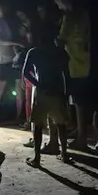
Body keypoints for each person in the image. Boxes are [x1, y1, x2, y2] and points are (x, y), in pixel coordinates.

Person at [22, 30, 73, 167]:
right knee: (61, 124)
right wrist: (66, 93)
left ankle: (37, 158)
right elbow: (67, 75)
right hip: (57, 91)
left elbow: (26, 72)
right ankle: (65, 154)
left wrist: (39, 84)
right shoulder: (60, 53)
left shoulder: (33, 52)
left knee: (37, 126)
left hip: (42, 91)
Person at [53, 0, 91, 148]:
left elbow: (61, 40)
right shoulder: (84, 13)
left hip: (75, 63)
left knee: (79, 101)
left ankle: (82, 137)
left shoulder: (69, 16)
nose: (56, 2)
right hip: (86, 60)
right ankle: (79, 130)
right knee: (80, 101)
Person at [0, 3, 25, 121]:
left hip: (17, 60)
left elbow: (21, 36)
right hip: (4, 61)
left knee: (19, 90)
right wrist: (16, 44)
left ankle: (19, 118)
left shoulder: (12, 22)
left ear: (4, 8)